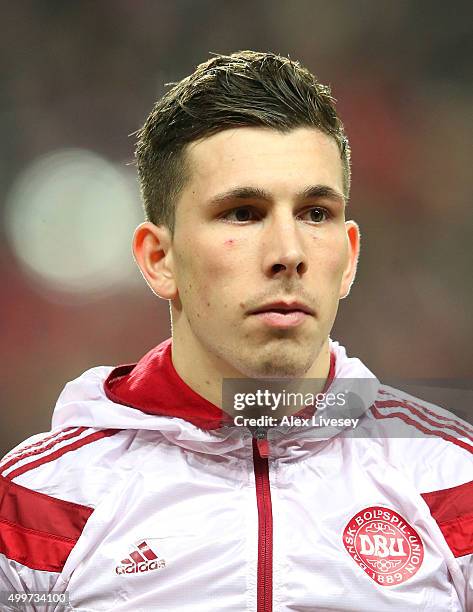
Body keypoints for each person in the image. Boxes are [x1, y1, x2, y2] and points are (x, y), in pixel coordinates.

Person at [0, 51, 471, 612]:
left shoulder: (453, 481)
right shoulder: (35, 504)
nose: (288, 253)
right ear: (159, 259)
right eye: (243, 213)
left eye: (315, 212)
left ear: (348, 259)